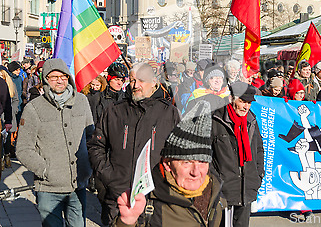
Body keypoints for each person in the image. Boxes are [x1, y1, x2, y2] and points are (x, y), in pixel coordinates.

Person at [88, 62, 180, 226]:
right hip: (119, 195)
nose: (135, 85)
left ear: (154, 82)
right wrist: (109, 177)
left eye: (141, 80)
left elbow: (178, 153)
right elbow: (96, 145)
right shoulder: (114, 110)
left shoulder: (169, 112)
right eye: (131, 80)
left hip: (156, 196)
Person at [113, 101, 226, 227]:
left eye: (202, 162)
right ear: (167, 164)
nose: (195, 172)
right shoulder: (147, 201)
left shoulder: (216, 193)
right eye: (187, 162)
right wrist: (127, 222)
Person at [16, 58, 94, 226]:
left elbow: (91, 137)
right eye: (54, 77)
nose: (60, 80)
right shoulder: (34, 108)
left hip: (78, 184)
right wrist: (45, 169)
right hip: (49, 187)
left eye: (63, 76)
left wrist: (88, 167)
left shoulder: (81, 101)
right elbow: (23, 148)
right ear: (45, 80)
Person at [211, 82, 264, 227]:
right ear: (231, 99)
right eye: (242, 101)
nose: (246, 106)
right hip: (223, 190)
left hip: (247, 187)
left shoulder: (251, 120)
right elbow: (206, 154)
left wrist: (258, 175)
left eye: (249, 103)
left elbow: (259, 149)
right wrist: (216, 180)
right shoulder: (215, 119)